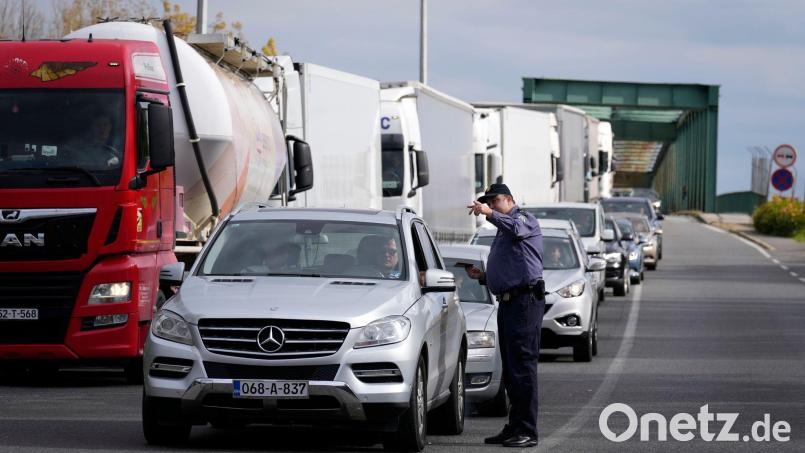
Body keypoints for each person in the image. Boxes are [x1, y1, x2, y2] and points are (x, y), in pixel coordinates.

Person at [466, 183, 544, 448]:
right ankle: (514, 427)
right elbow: (512, 267)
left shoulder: (523, 220)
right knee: (511, 370)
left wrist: (489, 214)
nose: (490, 205)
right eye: (487, 202)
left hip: (525, 302)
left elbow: (517, 229)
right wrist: (485, 277)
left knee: (522, 368)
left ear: (509, 200)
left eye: (494, 201)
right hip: (510, 303)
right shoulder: (502, 227)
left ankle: (527, 430)